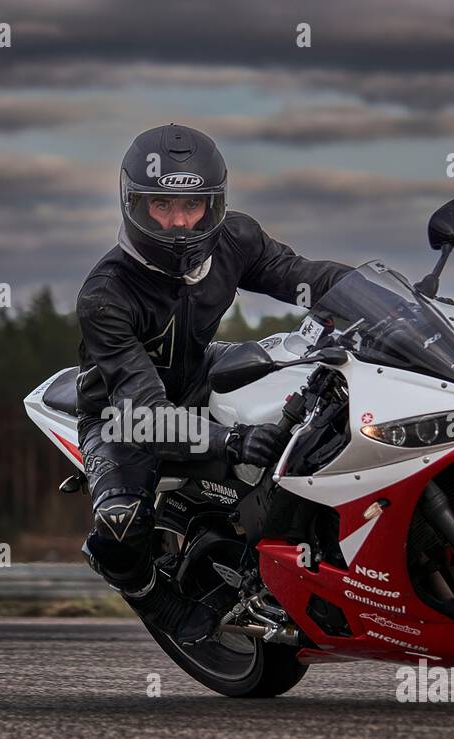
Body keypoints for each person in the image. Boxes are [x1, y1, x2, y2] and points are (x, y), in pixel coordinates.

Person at [75, 123, 351, 646]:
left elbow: (303, 276)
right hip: (122, 412)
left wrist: (385, 299)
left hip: (201, 372)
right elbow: (144, 411)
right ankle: (153, 595)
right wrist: (234, 441)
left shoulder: (234, 239)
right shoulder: (105, 296)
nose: (179, 224)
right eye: (162, 206)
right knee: (119, 521)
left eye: (192, 206)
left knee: (319, 391)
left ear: (214, 203)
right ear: (134, 205)